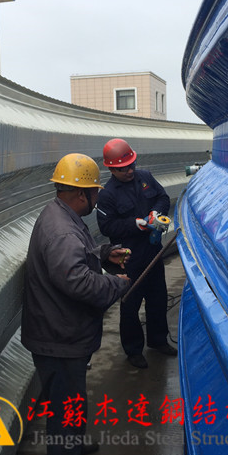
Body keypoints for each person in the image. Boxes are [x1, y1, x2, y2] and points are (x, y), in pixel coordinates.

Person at [21, 153, 131, 455]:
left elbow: (75, 257)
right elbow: (77, 281)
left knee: (71, 403)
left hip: (60, 332)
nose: (98, 197)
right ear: (82, 194)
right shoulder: (63, 232)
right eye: (95, 191)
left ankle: (73, 443)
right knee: (64, 409)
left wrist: (104, 254)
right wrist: (116, 283)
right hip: (59, 338)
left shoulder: (59, 214)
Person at [96, 138, 177, 369]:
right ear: (112, 169)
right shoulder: (107, 195)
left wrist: (155, 213)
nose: (130, 171)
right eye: (124, 169)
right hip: (128, 257)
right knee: (130, 304)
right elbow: (107, 227)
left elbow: (162, 198)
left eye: (131, 165)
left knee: (158, 298)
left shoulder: (145, 178)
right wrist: (136, 224)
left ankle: (158, 340)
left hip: (152, 250)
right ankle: (133, 349)